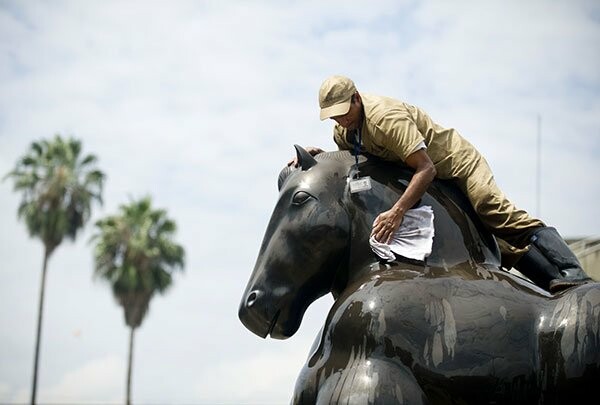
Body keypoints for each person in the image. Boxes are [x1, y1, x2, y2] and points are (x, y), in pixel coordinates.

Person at [290, 75, 592, 293]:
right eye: (334, 116)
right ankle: (552, 286)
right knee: (493, 243)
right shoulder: (344, 131)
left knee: (492, 211)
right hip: (433, 183)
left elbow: (426, 168)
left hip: (453, 164)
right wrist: (321, 155)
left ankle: (572, 270)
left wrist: (396, 213)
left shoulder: (386, 119)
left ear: (356, 98)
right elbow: (349, 155)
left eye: (344, 111)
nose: (341, 120)